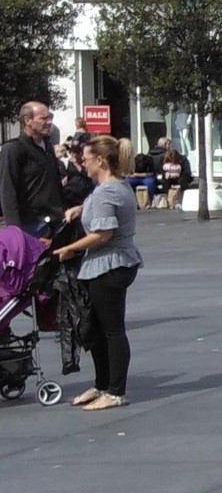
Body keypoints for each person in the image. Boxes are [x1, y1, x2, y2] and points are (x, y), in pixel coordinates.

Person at [49, 136, 142, 411]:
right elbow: (100, 212)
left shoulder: (107, 191)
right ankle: (102, 385)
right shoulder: (109, 187)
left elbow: (103, 234)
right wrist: (82, 209)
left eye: (86, 159)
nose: (82, 163)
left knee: (112, 330)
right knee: (97, 330)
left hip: (110, 265)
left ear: (100, 161)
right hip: (107, 264)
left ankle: (116, 391)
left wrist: (70, 249)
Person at [1, 100, 64, 237]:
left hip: (55, 221)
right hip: (30, 226)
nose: (49, 122)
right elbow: (8, 191)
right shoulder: (14, 149)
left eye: (50, 118)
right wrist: (15, 231)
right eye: (43, 118)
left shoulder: (48, 148)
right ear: (28, 120)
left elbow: (56, 184)